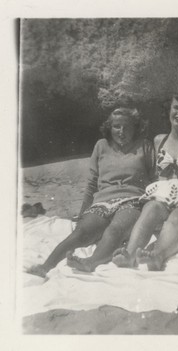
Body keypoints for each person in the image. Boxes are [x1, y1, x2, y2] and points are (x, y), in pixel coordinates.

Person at [26, 107, 155, 277]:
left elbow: (154, 180)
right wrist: (82, 214)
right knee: (81, 233)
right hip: (103, 200)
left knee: (114, 230)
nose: (121, 131)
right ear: (110, 128)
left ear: (136, 128)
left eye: (127, 127)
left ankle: (90, 262)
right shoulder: (101, 146)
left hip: (132, 200)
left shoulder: (145, 146)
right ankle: (46, 266)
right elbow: (92, 184)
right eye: (117, 126)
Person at [112, 93, 178, 270]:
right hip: (162, 196)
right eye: (176, 108)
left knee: (176, 218)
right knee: (150, 208)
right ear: (169, 110)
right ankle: (129, 255)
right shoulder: (159, 140)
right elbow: (154, 173)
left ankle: (157, 255)